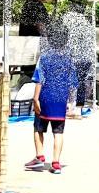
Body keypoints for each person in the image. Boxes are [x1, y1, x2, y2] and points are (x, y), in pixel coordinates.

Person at [28, 24, 75, 174]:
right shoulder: (68, 59)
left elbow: (39, 80)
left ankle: (40, 156)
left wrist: (35, 99)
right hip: (61, 100)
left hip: (45, 99)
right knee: (58, 132)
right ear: (66, 40)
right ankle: (55, 163)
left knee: (38, 128)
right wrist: (71, 102)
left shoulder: (45, 57)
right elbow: (72, 83)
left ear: (49, 40)